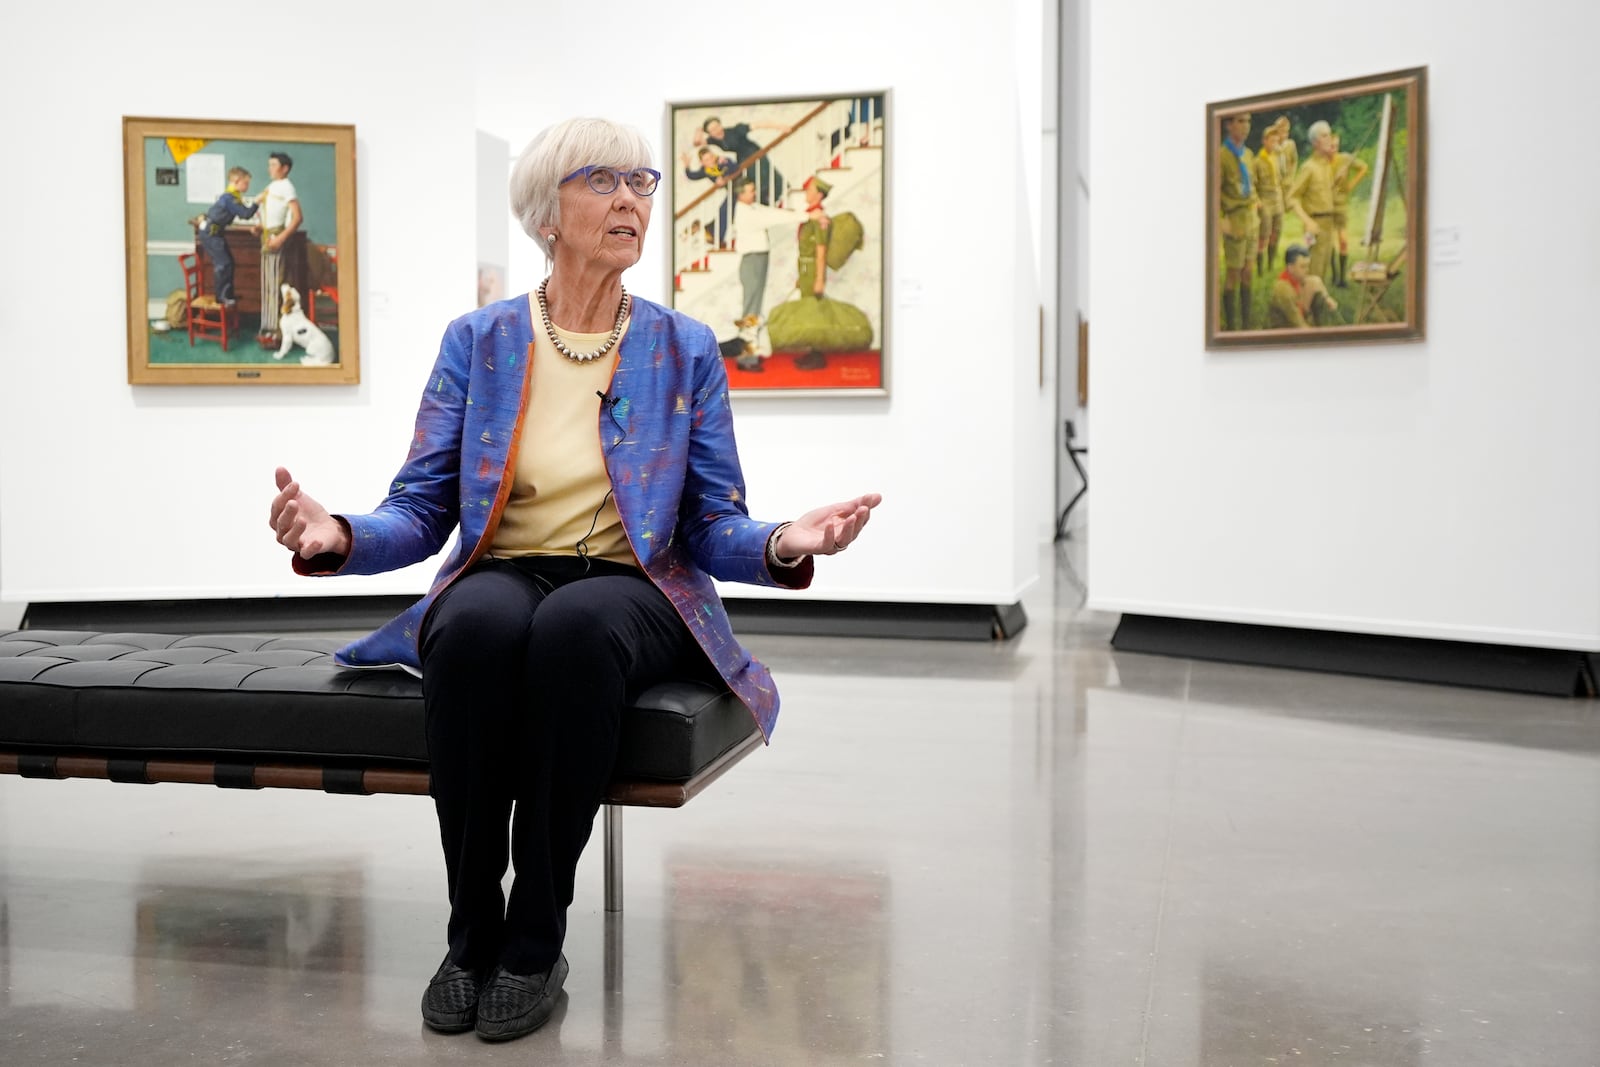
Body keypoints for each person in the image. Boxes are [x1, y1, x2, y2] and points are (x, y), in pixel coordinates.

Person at [267, 117, 881, 1044]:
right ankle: (470, 930)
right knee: (470, 627)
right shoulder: (480, 340)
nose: (633, 199)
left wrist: (786, 539)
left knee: (577, 626)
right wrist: (338, 533)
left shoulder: (685, 348)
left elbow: (711, 524)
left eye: (642, 181)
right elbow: (423, 507)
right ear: (546, 214)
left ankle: (534, 934)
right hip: (507, 565)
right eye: (604, 181)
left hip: (637, 586)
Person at [764, 176, 872, 371]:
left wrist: (819, 278)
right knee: (808, 308)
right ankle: (813, 351)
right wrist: (801, 275)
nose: (806, 192)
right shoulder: (810, 215)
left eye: (810, 190)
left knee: (814, 311)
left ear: (819, 195)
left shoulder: (819, 218)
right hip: (806, 268)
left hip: (813, 268)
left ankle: (817, 354)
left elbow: (821, 250)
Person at [1217, 112, 1260, 331]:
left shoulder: (1249, 154)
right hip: (1234, 219)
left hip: (1251, 218)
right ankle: (1232, 325)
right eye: (1241, 122)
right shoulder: (1221, 156)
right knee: (1233, 272)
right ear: (1228, 125)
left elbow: (1251, 185)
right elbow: (1211, 193)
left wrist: (1256, 206)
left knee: (1248, 270)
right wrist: (1220, 221)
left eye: (1248, 122)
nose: (1246, 127)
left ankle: (1246, 322)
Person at [1284, 120, 1341, 286]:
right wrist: (1307, 222)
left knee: (1323, 272)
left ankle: (1317, 308)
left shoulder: (1327, 166)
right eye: (1325, 136)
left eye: (1330, 134)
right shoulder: (1309, 167)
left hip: (1328, 225)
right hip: (1314, 226)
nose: (1330, 139)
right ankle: (1307, 308)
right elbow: (1291, 198)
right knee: (1313, 271)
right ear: (1315, 142)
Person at [256, 151, 303, 348]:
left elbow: (297, 217)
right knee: (268, 285)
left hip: (276, 237)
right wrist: (259, 227)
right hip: (267, 235)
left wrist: (281, 238)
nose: (270, 168)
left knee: (275, 285)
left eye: (274, 165)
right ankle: (267, 329)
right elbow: (268, 210)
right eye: (269, 164)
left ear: (285, 168)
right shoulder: (272, 186)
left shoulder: (287, 187)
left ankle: (276, 333)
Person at [194, 167, 258, 306]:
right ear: (236, 181)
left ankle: (227, 294)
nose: (247, 186)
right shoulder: (229, 198)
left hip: (215, 232)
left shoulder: (231, 197)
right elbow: (245, 214)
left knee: (229, 263)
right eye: (245, 183)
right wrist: (257, 202)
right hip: (211, 234)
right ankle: (221, 297)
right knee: (223, 264)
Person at [699, 115, 790, 204]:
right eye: (712, 130)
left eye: (717, 126)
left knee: (765, 176)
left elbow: (758, 125)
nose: (717, 130)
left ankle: (781, 194)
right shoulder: (714, 139)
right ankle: (765, 202)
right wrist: (698, 131)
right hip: (742, 159)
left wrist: (780, 126)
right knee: (748, 182)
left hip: (754, 153)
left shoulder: (735, 131)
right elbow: (697, 143)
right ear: (710, 133)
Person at [1328, 131, 1369, 288]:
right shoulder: (1322, 162)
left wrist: (1351, 184)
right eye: (1331, 146)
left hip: (1341, 204)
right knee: (1330, 242)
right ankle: (1334, 274)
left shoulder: (1344, 158)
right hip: (1325, 204)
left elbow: (1363, 167)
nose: (1334, 149)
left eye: (1336, 146)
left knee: (1343, 240)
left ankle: (1342, 278)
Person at [1267, 244, 1338, 328]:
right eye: (1303, 266)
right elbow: (1299, 325)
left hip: (1296, 327)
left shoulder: (1296, 279)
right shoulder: (1284, 290)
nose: (1307, 270)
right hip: (1284, 335)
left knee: (1318, 293)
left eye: (1308, 266)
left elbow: (1316, 281)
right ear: (1290, 268)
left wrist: (1326, 298)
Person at [1253, 122, 1286, 275]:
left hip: (1278, 199)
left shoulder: (1278, 157)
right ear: (1264, 141)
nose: (1274, 144)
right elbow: (1253, 185)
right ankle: (1260, 269)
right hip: (1265, 200)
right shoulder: (1257, 161)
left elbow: (1283, 176)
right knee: (1264, 235)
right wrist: (1257, 201)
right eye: (1272, 141)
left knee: (1276, 233)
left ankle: (1270, 265)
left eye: (1276, 141)